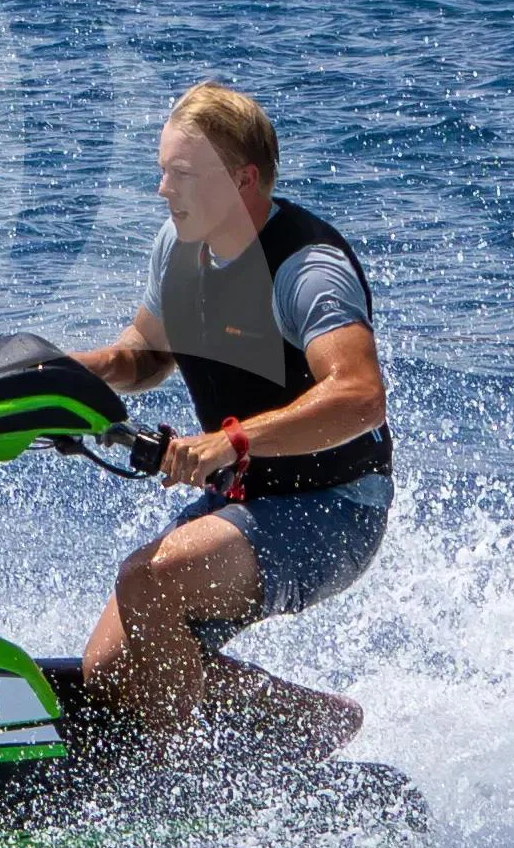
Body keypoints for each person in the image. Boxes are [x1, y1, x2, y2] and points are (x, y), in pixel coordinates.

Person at [69, 84, 389, 754]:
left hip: (333, 508)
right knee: (108, 670)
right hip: (245, 495)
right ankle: (308, 717)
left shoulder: (306, 269)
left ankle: (194, 788)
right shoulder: (177, 246)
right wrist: (79, 370)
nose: (162, 189)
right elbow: (145, 353)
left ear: (243, 180)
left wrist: (230, 440)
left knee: (146, 580)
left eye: (181, 174)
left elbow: (360, 395)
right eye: (162, 171)